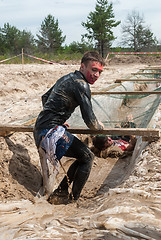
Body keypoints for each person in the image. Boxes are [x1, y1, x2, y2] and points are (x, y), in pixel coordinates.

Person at [33, 51, 105, 204]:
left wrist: (57, 119)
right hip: (49, 132)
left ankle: (61, 192)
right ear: (82, 66)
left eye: (100, 72)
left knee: (83, 156)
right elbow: (90, 121)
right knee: (88, 157)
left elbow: (45, 98)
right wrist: (99, 127)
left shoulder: (67, 78)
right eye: (93, 70)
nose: (97, 75)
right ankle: (72, 200)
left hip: (40, 129)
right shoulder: (81, 84)